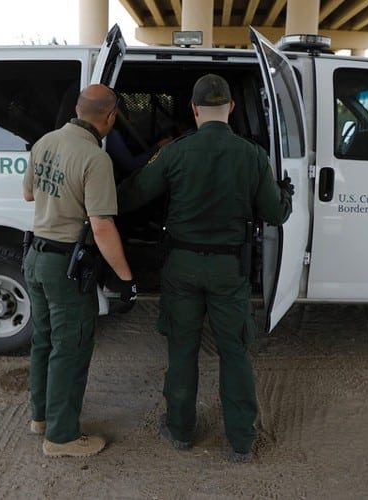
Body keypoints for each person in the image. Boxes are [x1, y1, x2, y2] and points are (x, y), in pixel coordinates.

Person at [117, 74, 293, 463]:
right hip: (229, 269)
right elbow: (276, 213)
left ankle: (180, 430)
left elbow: (132, 195)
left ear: (194, 109)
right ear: (230, 108)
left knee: (182, 350)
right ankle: (241, 441)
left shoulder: (176, 152)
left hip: (181, 266)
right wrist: (286, 192)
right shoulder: (252, 155)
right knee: (235, 352)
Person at [23, 84, 137, 458]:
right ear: (110, 117)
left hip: (35, 258)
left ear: (76, 108)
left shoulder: (44, 142)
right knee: (70, 350)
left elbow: (28, 194)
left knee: (44, 341)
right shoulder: (94, 157)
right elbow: (101, 225)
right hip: (64, 266)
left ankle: (41, 417)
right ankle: (61, 437)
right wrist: (125, 278)